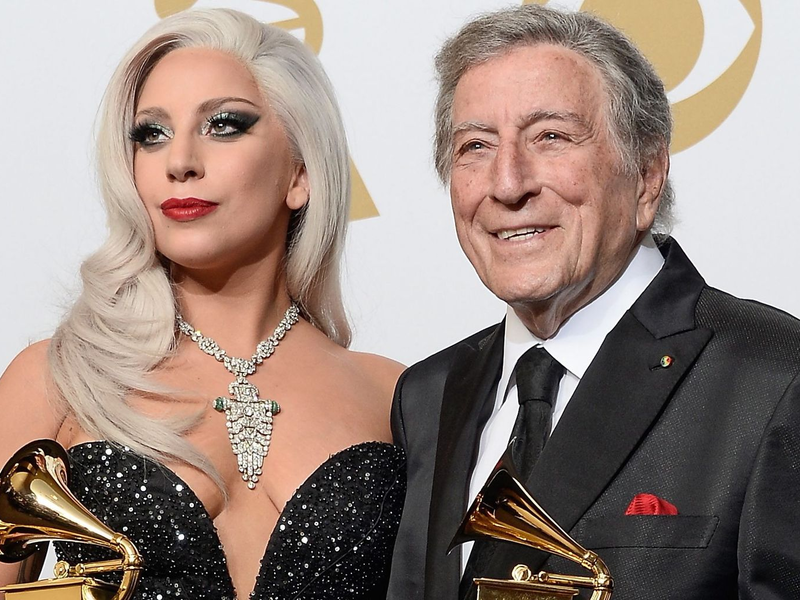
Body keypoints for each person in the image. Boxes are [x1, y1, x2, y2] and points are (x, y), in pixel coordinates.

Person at [387, 5, 800, 600]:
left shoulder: (773, 377)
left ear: (648, 174)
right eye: (475, 146)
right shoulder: (427, 396)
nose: (508, 184)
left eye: (550, 137)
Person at [0, 9, 405, 599]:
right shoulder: (58, 379)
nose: (180, 161)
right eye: (151, 134)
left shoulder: (395, 395)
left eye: (224, 124)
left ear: (300, 173)